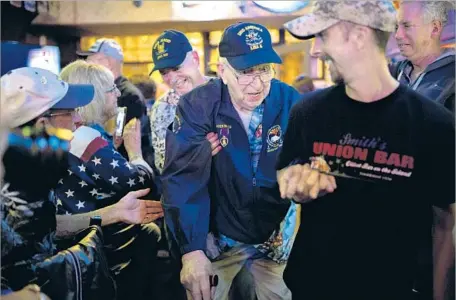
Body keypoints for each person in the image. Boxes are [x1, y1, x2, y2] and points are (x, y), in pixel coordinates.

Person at [280, 1, 455, 300]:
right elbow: (290, 180)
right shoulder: (307, 113)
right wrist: (296, 186)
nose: (315, 51)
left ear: (359, 36)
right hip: (312, 287)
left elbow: (446, 223)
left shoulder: (433, 125)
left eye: (323, 36)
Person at [161, 22, 302, 300]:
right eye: (246, 73)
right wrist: (191, 250)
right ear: (222, 71)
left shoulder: (289, 101)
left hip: (274, 237)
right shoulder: (197, 105)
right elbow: (182, 179)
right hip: (217, 236)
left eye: (265, 70)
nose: (258, 83)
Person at [57, 60, 162, 300]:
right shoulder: (86, 136)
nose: (117, 94)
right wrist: (135, 153)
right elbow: (140, 184)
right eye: (111, 89)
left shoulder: (85, 134)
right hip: (90, 247)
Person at [76, 39, 154, 168]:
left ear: (106, 62)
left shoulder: (129, 96)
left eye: (90, 61)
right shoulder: (112, 92)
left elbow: (124, 141)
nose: (87, 66)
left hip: (125, 173)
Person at [391, 1, 455, 112]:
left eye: (407, 26)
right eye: (397, 27)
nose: (397, 35)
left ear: (434, 28)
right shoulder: (395, 71)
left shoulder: (452, 76)